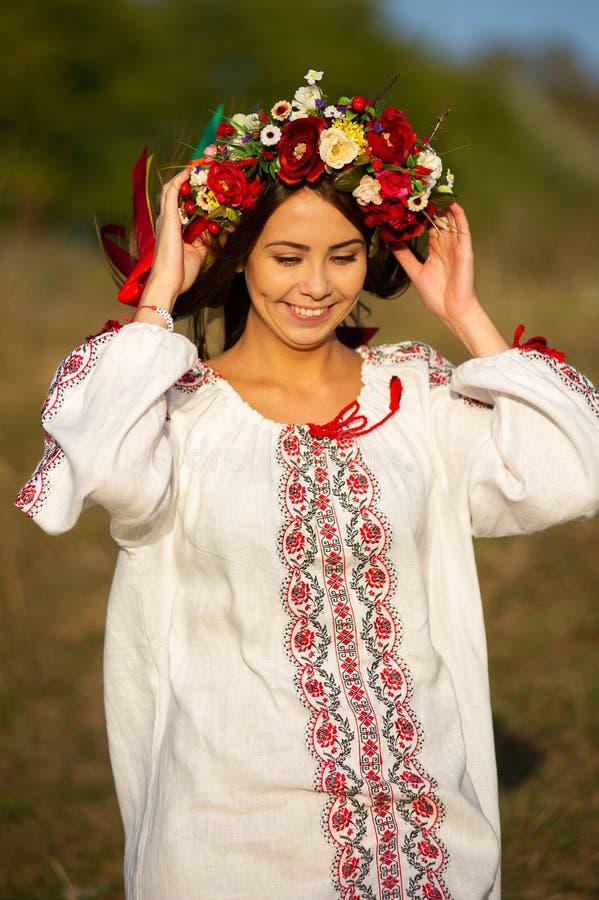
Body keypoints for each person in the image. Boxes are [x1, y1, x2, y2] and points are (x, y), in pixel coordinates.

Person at [15, 70, 599, 900]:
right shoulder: (177, 413)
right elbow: (99, 465)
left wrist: (467, 320)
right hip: (227, 838)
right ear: (239, 254)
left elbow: (574, 473)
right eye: (287, 256)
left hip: (422, 836)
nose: (317, 285)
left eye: (343, 254)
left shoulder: (413, 398)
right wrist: (159, 299)